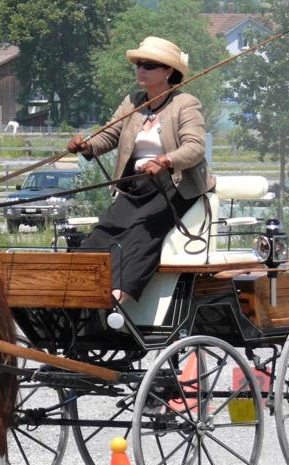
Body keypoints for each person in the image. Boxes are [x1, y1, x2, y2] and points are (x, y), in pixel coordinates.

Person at [66, 36, 214, 303]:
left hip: (173, 187)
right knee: (104, 232)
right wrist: (86, 146)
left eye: (149, 65)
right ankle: (78, 294)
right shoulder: (132, 102)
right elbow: (109, 135)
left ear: (168, 71)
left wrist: (165, 161)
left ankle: (116, 300)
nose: (140, 70)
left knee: (139, 236)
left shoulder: (185, 103)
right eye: (138, 64)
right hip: (135, 186)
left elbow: (195, 148)